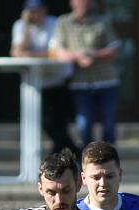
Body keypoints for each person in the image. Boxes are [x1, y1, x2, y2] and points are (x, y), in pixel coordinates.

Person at [50, 0, 121, 148]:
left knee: (109, 125)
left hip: (106, 81)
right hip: (80, 82)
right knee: (84, 125)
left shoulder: (102, 21)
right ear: (72, 3)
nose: (84, 3)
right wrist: (78, 57)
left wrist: (93, 54)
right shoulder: (64, 22)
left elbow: (114, 50)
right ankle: (86, 162)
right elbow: (58, 52)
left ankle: (108, 162)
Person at [11, 0, 77, 156]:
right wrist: (27, 27)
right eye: (31, 12)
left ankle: (66, 155)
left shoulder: (54, 23)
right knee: (44, 122)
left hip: (57, 79)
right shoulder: (20, 25)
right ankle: (72, 153)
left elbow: (54, 53)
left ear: (45, 11)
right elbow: (16, 52)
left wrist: (28, 53)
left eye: (38, 11)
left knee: (59, 123)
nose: (35, 15)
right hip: (35, 84)